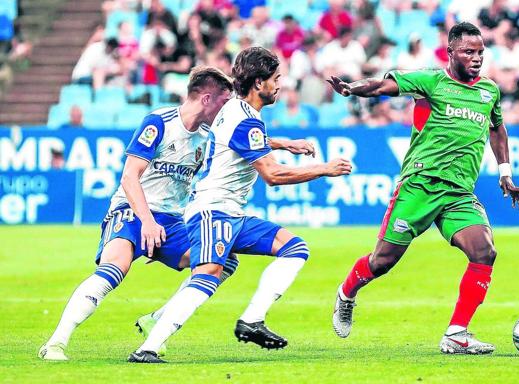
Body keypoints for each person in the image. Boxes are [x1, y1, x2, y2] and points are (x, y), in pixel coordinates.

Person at [128, 47, 352, 363]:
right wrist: (324, 169)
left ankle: (251, 319)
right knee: (207, 274)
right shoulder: (245, 121)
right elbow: (273, 175)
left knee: (294, 248)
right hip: (212, 211)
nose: (279, 85)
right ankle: (148, 347)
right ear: (259, 83)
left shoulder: (236, 112)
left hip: (229, 211)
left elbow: (242, 139)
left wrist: (283, 142)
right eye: (275, 79)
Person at [327, 22, 519, 355]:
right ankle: (347, 293)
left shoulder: (489, 91)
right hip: (419, 186)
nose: (476, 58)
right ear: (451, 52)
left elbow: (498, 130)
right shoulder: (430, 82)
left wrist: (505, 173)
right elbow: (382, 85)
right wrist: (351, 88)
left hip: (459, 192)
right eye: (468, 52)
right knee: (382, 262)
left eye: (480, 52)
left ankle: (456, 333)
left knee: (484, 251)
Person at [38, 66, 234, 361]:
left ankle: (158, 318)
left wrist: (285, 145)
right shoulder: (159, 123)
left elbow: (243, 146)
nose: (226, 110)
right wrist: (147, 222)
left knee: (222, 259)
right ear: (206, 98)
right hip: (132, 210)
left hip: (170, 220)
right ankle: (55, 343)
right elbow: (129, 177)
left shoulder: (208, 136)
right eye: (224, 102)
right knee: (115, 268)